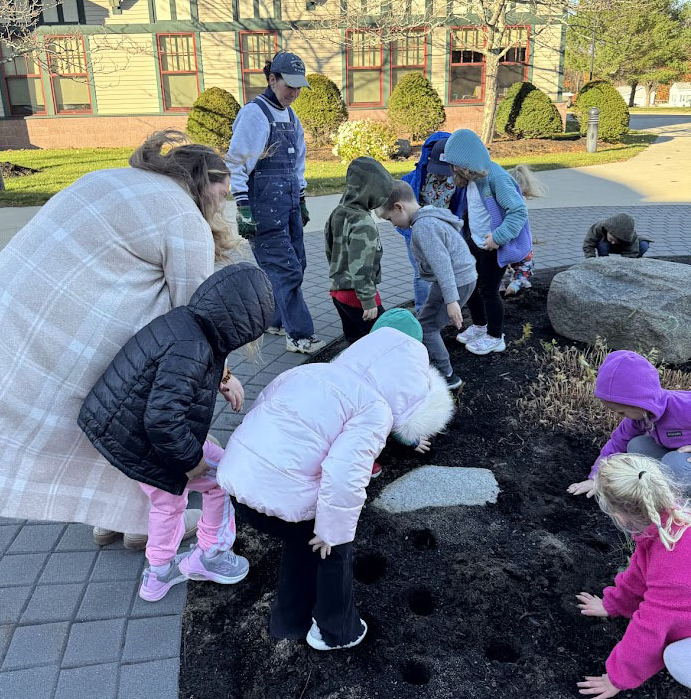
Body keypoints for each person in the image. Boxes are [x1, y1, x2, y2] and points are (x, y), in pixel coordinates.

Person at [0, 130, 247, 544]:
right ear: (203, 182)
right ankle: (145, 525)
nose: (222, 204)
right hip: (63, 325)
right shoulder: (183, 217)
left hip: (8, 306)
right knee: (132, 405)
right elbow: (197, 315)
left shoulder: (118, 178)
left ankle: (119, 519)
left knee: (103, 413)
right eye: (222, 193)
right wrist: (225, 376)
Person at [216, 313, 454, 651]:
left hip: (238, 485)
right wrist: (332, 533)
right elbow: (344, 477)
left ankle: (289, 621)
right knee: (332, 545)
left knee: (301, 538)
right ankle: (336, 630)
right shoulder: (373, 408)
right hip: (278, 497)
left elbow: (263, 411)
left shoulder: (309, 371)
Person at [78, 263, 273, 601]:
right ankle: (195, 560)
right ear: (239, 325)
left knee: (178, 495)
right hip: (145, 440)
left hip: (123, 430)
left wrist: (221, 380)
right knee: (214, 480)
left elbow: (170, 387)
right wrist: (191, 460)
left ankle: (166, 569)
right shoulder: (194, 348)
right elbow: (163, 420)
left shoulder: (187, 324)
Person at [226, 50, 325, 355]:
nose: (294, 93)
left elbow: (298, 164)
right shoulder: (254, 114)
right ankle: (299, 335)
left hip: (290, 204)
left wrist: (302, 198)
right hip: (263, 210)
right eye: (288, 85)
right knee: (286, 271)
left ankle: (273, 319)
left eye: (298, 87)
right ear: (272, 79)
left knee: (297, 264)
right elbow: (237, 163)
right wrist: (243, 208)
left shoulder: (292, 116)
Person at [576, 453, 691, 699]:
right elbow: (638, 574)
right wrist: (612, 604)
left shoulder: (672, 562)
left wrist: (618, 677)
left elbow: (651, 629)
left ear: (619, 516)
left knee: (678, 660)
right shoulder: (668, 522)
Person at [440, 129, 532, 356]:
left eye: (455, 166)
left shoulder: (496, 178)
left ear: (467, 162)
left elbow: (518, 212)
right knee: (470, 283)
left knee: (488, 290)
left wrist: (498, 238)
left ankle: (495, 336)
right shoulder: (473, 178)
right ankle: (480, 325)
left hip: (494, 246)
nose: (452, 171)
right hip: (477, 242)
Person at [378, 181, 476, 390]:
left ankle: (447, 376)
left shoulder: (424, 228)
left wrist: (451, 301)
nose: (393, 225)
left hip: (454, 282)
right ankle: (437, 364)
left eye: (389, 219)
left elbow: (443, 265)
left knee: (427, 327)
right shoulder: (429, 216)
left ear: (399, 206)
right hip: (459, 279)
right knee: (425, 321)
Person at [567, 350, 691, 499]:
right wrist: (595, 478)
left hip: (681, 461)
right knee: (636, 446)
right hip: (674, 454)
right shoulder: (639, 418)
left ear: (640, 403)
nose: (619, 416)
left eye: (621, 412)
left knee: (674, 463)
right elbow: (617, 443)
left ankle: (681, 506)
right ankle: (658, 488)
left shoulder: (683, 407)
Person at [325, 156, 394, 343]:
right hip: (358, 296)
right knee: (382, 342)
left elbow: (329, 250)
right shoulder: (363, 223)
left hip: (339, 291)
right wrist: (368, 299)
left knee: (354, 343)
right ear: (370, 193)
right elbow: (361, 265)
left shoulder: (338, 212)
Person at [397, 131, 466, 312]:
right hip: (417, 233)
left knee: (444, 271)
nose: (442, 176)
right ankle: (423, 311)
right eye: (438, 170)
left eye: (446, 170)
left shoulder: (458, 180)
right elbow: (400, 206)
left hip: (443, 233)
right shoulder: (415, 179)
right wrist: (409, 232)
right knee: (422, 275)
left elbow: (461, 207)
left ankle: (444, 309)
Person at [501, 165, 546, 298]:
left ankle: (514, 282)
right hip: (512, 240)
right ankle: (516, 282)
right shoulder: (515, 201)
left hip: (508, 240)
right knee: (525, 261)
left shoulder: (510, 199)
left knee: (508, 262)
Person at [582, 213, 650, 259]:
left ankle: (637, 262)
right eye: (611, 239)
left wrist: (626, 265)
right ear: (609, 231)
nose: (613, 242)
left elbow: (631, 251)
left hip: (623, 246)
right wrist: (590, 259)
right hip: (605, 246)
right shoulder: (599, 227)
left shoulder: (630, 236)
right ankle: (604, 262)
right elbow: (588, 244)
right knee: (602, 244)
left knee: (644, 245)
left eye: (616, 240)